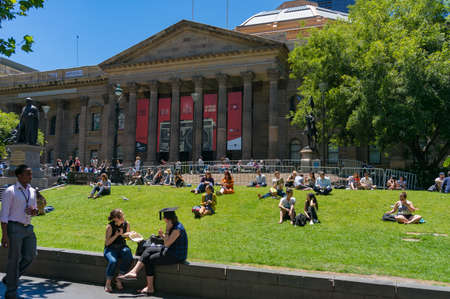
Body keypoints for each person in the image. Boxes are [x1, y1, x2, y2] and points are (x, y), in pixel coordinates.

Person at [118, 207, 188, 295]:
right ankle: (134, 271)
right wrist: (162, 235)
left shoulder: (177, 229)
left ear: (167, 219)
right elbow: (168, 242)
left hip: (177, 255)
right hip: (170, 250)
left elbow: (166, 244)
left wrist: (166, 230)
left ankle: (150, 288)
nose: (163, 220)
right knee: (149, 249)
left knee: (150, 259)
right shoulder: (174, 225)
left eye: (164, 218)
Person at [1, 165, 38, 299]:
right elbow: (4, 214)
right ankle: (11, 292)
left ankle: (10, 277)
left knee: (31, 255)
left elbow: (35, 209)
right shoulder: (10, 191)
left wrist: (35, 211)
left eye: (31, 174)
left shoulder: (32, 191)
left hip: (28, 227)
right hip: (14, 227)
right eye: (28, 174)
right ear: (19, 176)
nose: (31, 176)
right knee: (14, 260)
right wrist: (4, 235)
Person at [103, 209, 133, 293]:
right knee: (113, 261)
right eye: (121, 216)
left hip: (122, 247)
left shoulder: (126, 224)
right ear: (116, 218)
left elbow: (127, 237)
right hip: (110, 248)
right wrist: (116, 235)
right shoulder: (110, 227)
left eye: (123, 215)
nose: (123, 217)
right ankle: (108, 283)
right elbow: (107, 243)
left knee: (128, 254)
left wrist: (131, 236)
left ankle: (119, 278)